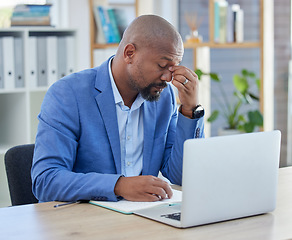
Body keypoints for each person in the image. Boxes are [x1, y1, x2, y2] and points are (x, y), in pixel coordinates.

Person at [31, 14, 204, 203]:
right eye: (162, 65)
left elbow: (181, 176)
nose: (168, 78)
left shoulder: (164, 98)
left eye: (173, 68)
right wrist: (119, 186)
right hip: (82, 222)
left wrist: (190, 109)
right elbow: (45, 181)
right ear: (129, 53)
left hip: (142, 219)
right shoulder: (67, 94)